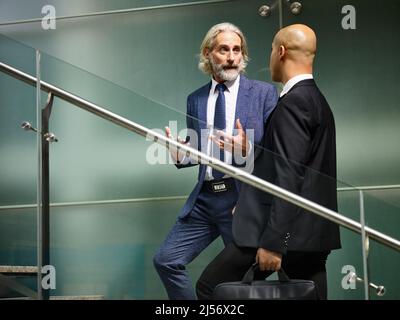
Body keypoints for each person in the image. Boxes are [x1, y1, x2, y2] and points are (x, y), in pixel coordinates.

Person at [196, 24, 341, 300]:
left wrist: (274, 243)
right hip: (312, 233)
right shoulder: (317, 100)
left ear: (281, 52)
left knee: (210, 287)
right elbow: (299, 167)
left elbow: (289, 175)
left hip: (286, 233)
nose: (270, 56)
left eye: (272, 50)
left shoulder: (294, 103)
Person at [153, 22, 278, 300]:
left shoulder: (263, 94)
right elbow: (200, 152)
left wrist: (249, 148)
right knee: (166, 260)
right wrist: (179, 154)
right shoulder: (195, 99)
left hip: (241, 198)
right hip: (205, 200)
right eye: (224, 49)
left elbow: (279, 155)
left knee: (240, 282)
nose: (232, 56)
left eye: (237, 50)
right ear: (208, 53)